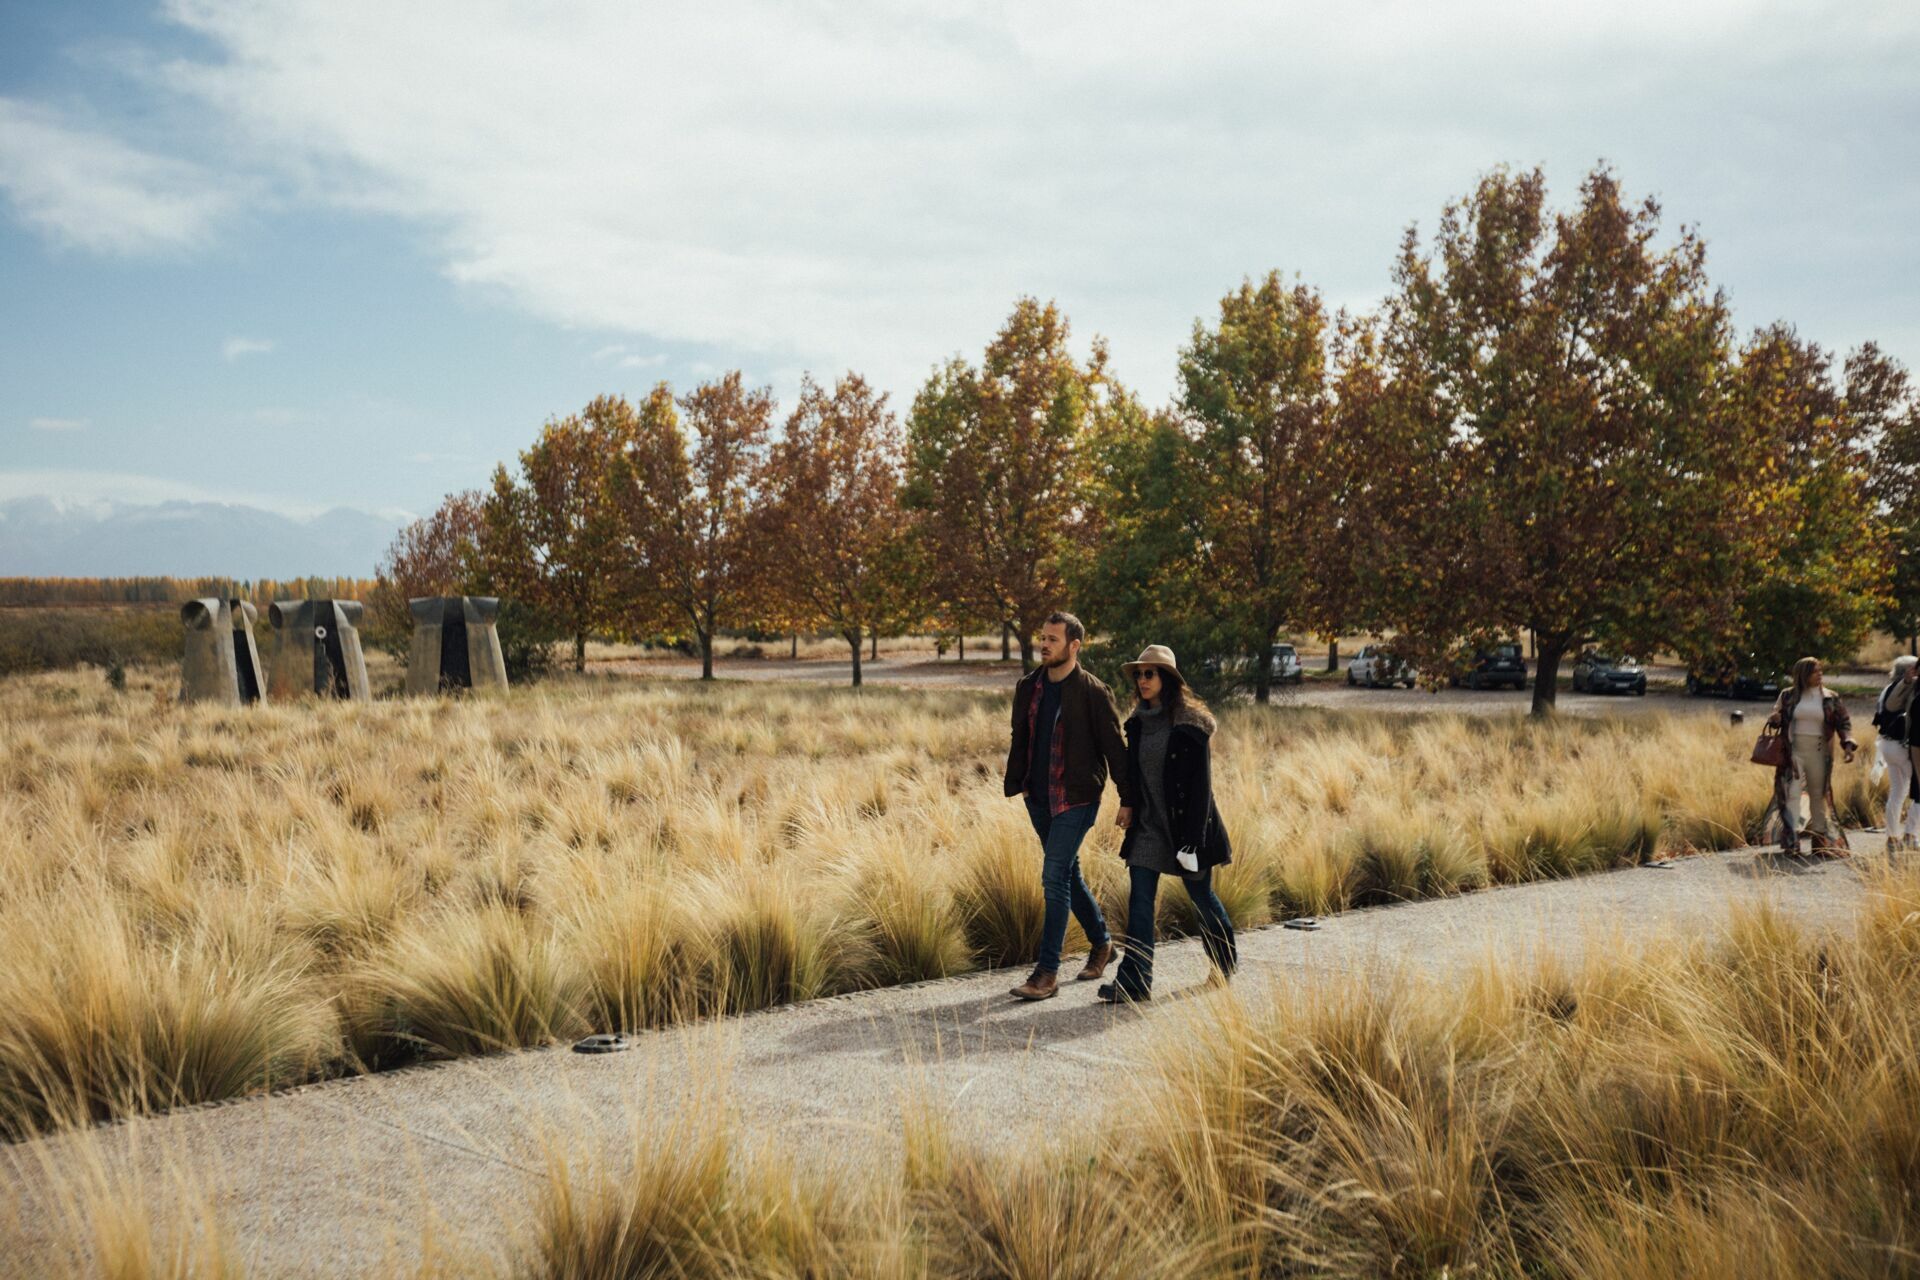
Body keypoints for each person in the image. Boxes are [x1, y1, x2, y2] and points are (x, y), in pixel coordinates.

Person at [1002, 612, 1134, 1001]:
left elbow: (1115, 749)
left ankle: (1046, 974)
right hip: (1038, 798)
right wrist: (1023, 787)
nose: (1044, 644)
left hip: (1076, 799)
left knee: (1054, 876)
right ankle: (1103, 943)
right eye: (1042, 637)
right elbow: (1020, 737)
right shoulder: (1029, 686)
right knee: (1068, 873)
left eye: (1053, 639)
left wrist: (1127, 799)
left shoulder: (1094, 692)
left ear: (1074, 646)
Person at [1099, 645, 1236, 1003]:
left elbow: (1200, 789)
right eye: (1139, 675)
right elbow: (1133, 773)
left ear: (1168, 679)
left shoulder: (1190, 725)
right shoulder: (1137, 723)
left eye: (1150, 673)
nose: (1142, 680)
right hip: (1148, 828)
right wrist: (1128, 804)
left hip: (1186, 829)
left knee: (1201, 897)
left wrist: (1192, 842)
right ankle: (1136, 981)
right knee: (1140, 902)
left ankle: (1224, 964)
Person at [1765, 656, 1857, 857]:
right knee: (1792, 794)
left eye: (1821, 670)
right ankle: (1792, 842)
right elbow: (1777, 716)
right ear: (1804, 674)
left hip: (1819, 753)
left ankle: (1821, 843)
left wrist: (1848, 744)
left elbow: (1844, 722)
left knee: (1819, 796)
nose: (1820, 674)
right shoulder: (1788, 696)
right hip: (1793, 753)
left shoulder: (1830, 697)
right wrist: (1775, 719)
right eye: (1816, 671)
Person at [1871, 655, 1920, 854]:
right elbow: (1894, 707)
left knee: (1897, 793)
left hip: (1886, 746)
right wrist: (1908, 682)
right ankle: (1911, 835)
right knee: (1917, 790)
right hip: (1902, 747)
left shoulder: (1886, 690)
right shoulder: (1906, 687)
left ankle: (1892, 838)